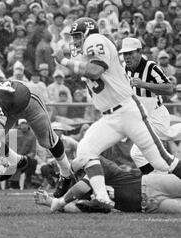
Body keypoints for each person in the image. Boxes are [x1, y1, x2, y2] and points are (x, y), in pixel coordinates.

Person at [53, 17, 181, 210]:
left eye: (78, 35)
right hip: (110, 117)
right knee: (85, 150)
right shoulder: (86, 52)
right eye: (74, 37)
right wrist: (71, 62)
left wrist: (64, 61)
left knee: (162, 161)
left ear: (88, 33)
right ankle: (102, 195)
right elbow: (89, 70)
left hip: (128, 111)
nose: (76, 41)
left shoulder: (95, 40)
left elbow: (95, 71)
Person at [0, 72, 75, 198]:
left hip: (29, 100)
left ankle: (66, 173)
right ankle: (17, 161)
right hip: (11, 105)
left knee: (46, 141)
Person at [34, 156, 181, 214]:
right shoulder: (81, 190)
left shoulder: (100, 164)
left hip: (151, 184)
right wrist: (48, 203)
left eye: (80, 173)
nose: (79, 177)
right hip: (148, 206)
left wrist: (56, 202)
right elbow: (77, 208)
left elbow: (82, 187)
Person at [120, 37, 181, 174]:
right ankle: (153, 178)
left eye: (131, 53)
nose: (127, 57)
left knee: (168, 134)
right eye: (125, 54)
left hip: (155, 113)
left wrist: (144, 84)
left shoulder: (151, 67)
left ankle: (163, 174)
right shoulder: (124, 68)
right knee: (137, 154)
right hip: (142, 114)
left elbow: (170, 88)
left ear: (139, 51)